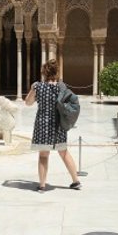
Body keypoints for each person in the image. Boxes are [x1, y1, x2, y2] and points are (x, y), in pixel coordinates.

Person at [25, 59, 82, 192]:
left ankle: (42, 185)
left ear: (44, 72)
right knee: (64, 152)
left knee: (43, 155)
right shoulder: (62, 87)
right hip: (58, 124)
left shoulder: (38, 86)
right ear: (57, 72)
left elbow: (28, 102)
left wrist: (32, 89)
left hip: (43, 125)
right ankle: (76, 181)